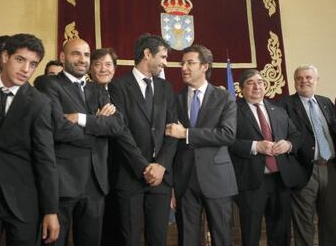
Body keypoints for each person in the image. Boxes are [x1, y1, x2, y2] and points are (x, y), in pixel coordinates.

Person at [0, 34, 60, 245]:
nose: (26, 69)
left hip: (23, 200)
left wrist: (51, 210)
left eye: (33, 64)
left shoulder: (39, 103)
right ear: (5, 57)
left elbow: (46, 159)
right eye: (20, 60)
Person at [35, 38, 124, 246]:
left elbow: (118, 126)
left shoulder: (98, 89)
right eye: (76, 54)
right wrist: (99, 127)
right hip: (63, 182)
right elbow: (58, 128)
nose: (83, 59)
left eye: (86, 55)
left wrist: (81, 119)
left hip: (96, 184)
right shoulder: (48, 84)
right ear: (63, 57)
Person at [108, 34, 178, 246]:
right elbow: (121, 132)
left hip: (161, 179)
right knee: (129, 240)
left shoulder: (166, 88)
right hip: (130, 176)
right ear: (147, 54)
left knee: (158, 239)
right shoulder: (118, 86)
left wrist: (161, 166)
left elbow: (173, 131)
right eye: (163, 57)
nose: (166, 63)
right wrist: (144, 167)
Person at [165, 44, 237, 245]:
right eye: (182, 63)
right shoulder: (175, 99)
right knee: (187, 239)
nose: (184, 68)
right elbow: (170, 143)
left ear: (205, 66)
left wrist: (186, 133)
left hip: (218, 179)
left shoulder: (224, 97)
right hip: (184, 180)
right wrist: (170, 184)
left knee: (221, 237)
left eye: (190, 63)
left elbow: (227, 135)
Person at [230, 69, 304, 246]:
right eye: (251, 82)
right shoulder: (232, 111)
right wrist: (255, 146)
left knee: (281, 232)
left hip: (280, 179)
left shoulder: (278, 110)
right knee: (251, 232)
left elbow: (296, 135)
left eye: (261, 82)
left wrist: (288, 144)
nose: (257, 86)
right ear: (241, 88)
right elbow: (227, 141)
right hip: (251, 181)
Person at [278, 65, 336, 245]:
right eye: (299, 78)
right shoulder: (284, 105)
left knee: (331, 221)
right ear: (294, 81)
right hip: (304, 170)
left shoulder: (326, 102)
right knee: (304, 224)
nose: (304, 81)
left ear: (316, 80)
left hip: (330, 168)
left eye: (308, 77)